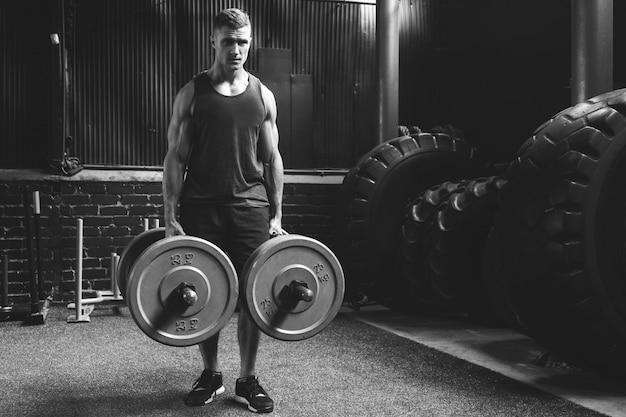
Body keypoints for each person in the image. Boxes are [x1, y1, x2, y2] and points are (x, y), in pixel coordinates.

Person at [162, 8, 285, 414]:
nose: (237, 49)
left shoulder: (262, 95)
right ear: (214, 42)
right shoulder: (192, 93)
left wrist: (277, 216)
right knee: (204, 296)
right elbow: (175, 159)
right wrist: (170, 214)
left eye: (244, 42)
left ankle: (247, 380)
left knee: (251, 297)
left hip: (251, 206)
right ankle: (210, 374)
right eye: (229, 41)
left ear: (250, 42)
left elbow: (271, 160)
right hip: (202, 206)